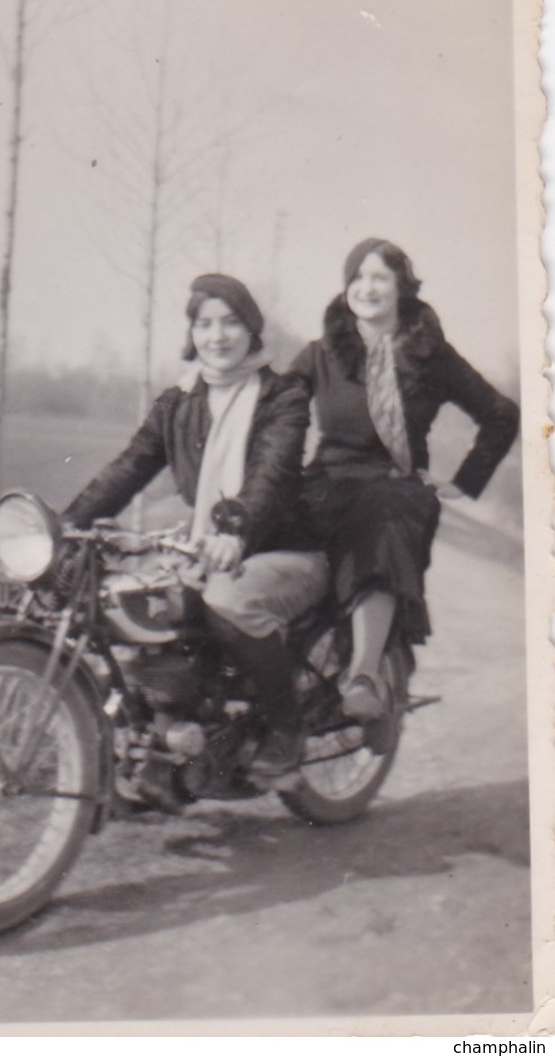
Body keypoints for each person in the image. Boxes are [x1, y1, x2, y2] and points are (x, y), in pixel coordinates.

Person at [63, 273, 328, 777]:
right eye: (205, 324)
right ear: (192, 333)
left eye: (230, 322)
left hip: (284, 549)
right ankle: (166, 723)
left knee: (228, 602)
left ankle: (285, 726)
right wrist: (64, 526)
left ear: (251, 329)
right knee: (128, 598)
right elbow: (129, 466)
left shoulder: (282, 396)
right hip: (208, 546)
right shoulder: (178, 403)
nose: (217, 336)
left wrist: (237, 531)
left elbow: (271, 474)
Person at [289, 237, 519, 735]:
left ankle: (365, 675)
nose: (366, 288)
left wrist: (463, 482)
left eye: (379, 277)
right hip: (328, 480)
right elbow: (273, 413)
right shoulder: (321, 355)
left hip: (395, 483)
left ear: (401, 288)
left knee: (383, 524)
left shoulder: (430, 356)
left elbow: (501, 415)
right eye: (358, 277)